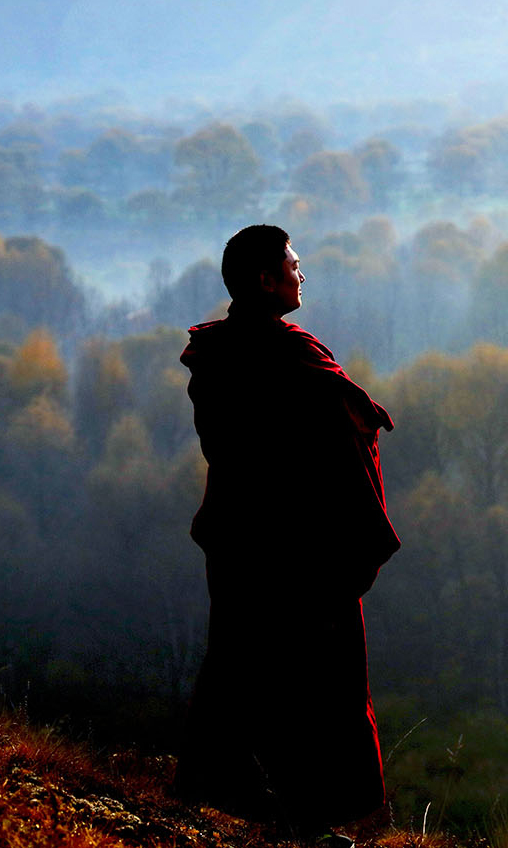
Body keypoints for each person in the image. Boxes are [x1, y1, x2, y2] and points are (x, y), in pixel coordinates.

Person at [174, 224, 400, 845]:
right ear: (265, 280)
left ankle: (282, 817)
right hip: (297, 555)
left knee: (249, 672)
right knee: (312, 685)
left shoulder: (221, 355)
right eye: (294, 266)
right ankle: (301, 822)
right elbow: (322, 445)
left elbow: (228, 448)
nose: (303, 276)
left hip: (242, 544)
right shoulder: (286, 360)